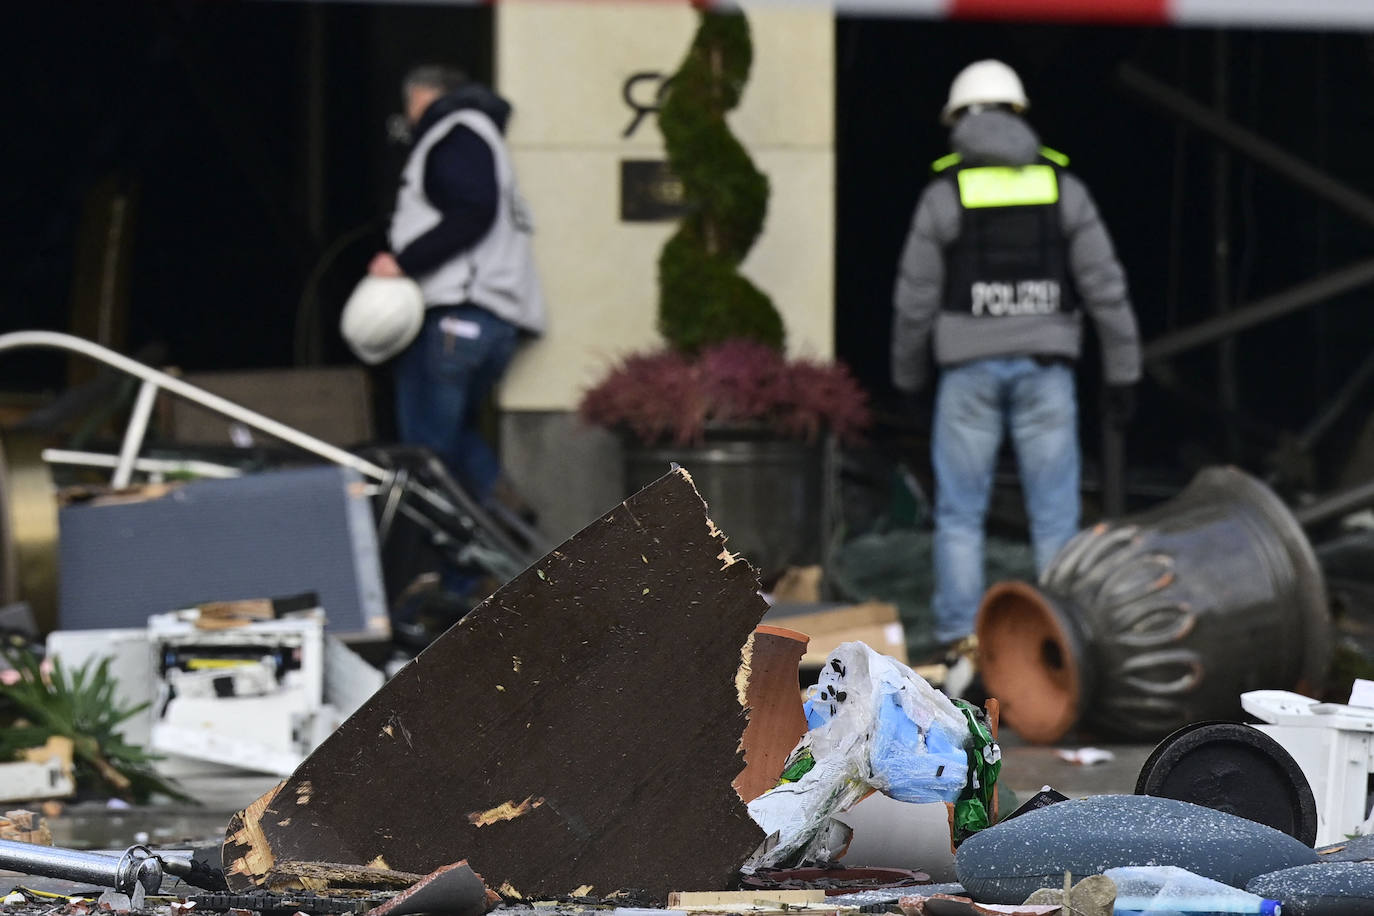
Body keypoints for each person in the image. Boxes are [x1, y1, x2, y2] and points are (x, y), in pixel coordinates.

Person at [891, 59, 1142, 648]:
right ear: (1020, 116)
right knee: (1055, 516)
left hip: (967, 375)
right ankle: (1062, 642)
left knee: (959, 515)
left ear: (957, 121)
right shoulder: (1063, 187)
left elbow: (915, 299)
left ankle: (960, 644)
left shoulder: (943, 195)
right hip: (1046, 372)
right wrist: (1124, 371)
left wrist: (908, 378)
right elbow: (1106, 286)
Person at [368, 64, 546, 507]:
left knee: (427, 454)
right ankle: (501, 510)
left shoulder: (454, 131)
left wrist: (402, 262)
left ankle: (462, 571)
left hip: (457, 315)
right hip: (489, 321)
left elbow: (472, 210)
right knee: (450, 435)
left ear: (422, 98)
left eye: (409, 108)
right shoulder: (481, 136)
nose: (409, 121)